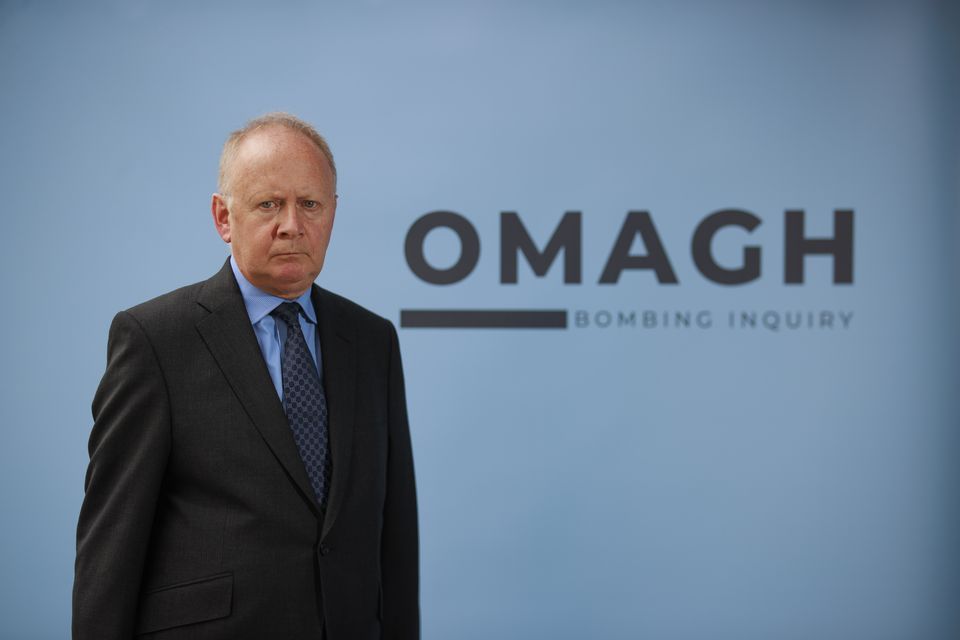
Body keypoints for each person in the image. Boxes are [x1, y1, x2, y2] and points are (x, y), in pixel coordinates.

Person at [73, 113, 419, 639]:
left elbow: (393, 537)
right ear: (223, 217)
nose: (291, 225)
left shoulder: (372, 341)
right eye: (267, 204)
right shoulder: (155, 339)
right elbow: (111, 547)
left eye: (309, 204)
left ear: (332, 213)